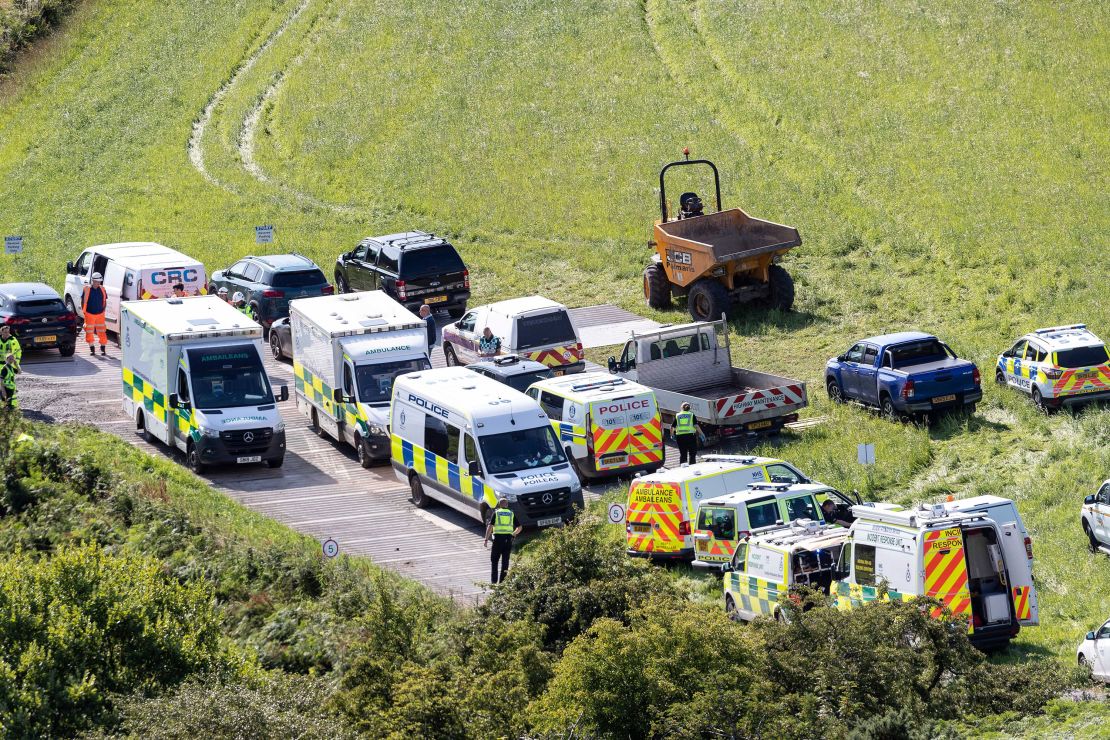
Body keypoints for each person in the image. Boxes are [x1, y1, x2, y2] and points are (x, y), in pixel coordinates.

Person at [484, 497, 522, 584]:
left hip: (498, 540)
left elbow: (490, 527)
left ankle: (494, 581)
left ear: (499, 505)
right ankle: (502, 582)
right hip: (508, 540)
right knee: (505, 562)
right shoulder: (511, 513)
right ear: (507, 505)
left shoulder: (496, 513)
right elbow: (519, 527)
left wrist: (486, 539)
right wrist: (513, 534)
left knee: (494, 560)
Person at [82, 272, 109, 356]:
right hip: (89, 314)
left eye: (99, 282)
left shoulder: (102, 289)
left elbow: (105, 300)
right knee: (89, 331)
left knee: (102, 331)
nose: (98, 283)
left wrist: (103, 310)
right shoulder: (87, 289)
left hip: (100, 314)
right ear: (93, 281)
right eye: (97, 281)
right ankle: (92, 348)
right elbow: (83, 301)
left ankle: (103, 347)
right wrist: (84, 312)